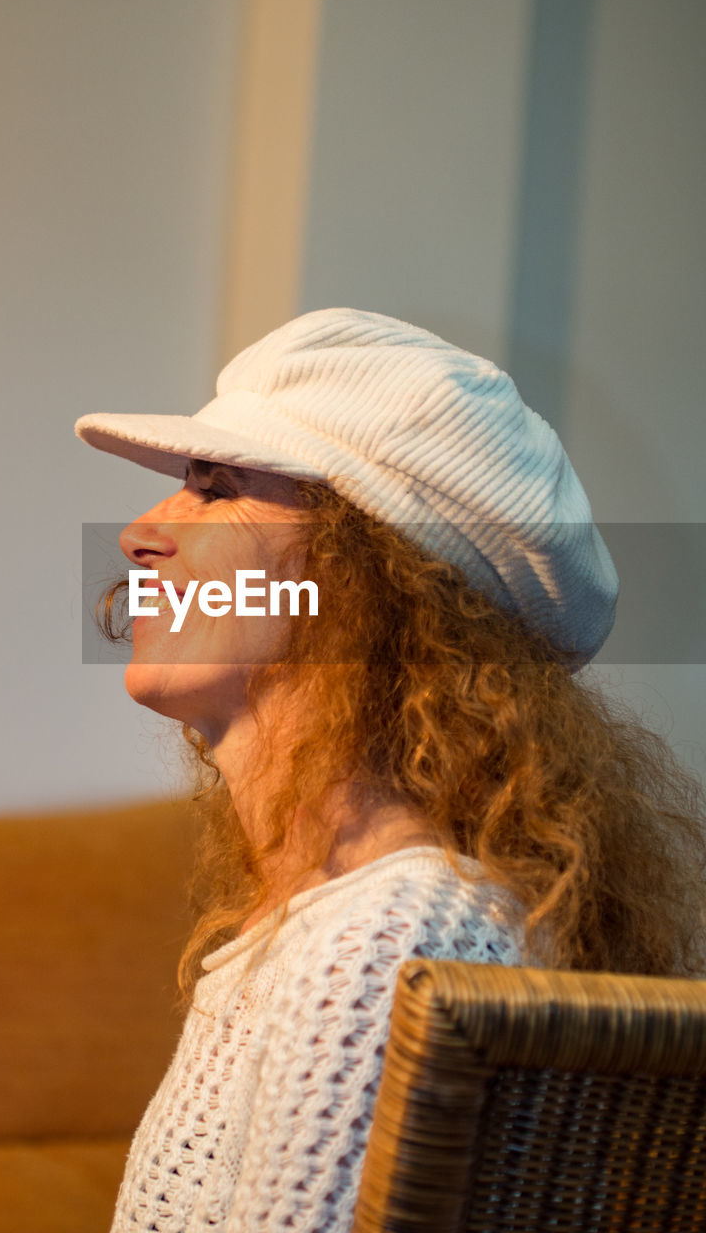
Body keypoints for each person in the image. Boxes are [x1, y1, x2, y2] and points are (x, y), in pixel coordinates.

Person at [75, 308, 705, 1233]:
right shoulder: (330, 919)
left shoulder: (386, 941)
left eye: (217, 490)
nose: (138, 534)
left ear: (368, 580)